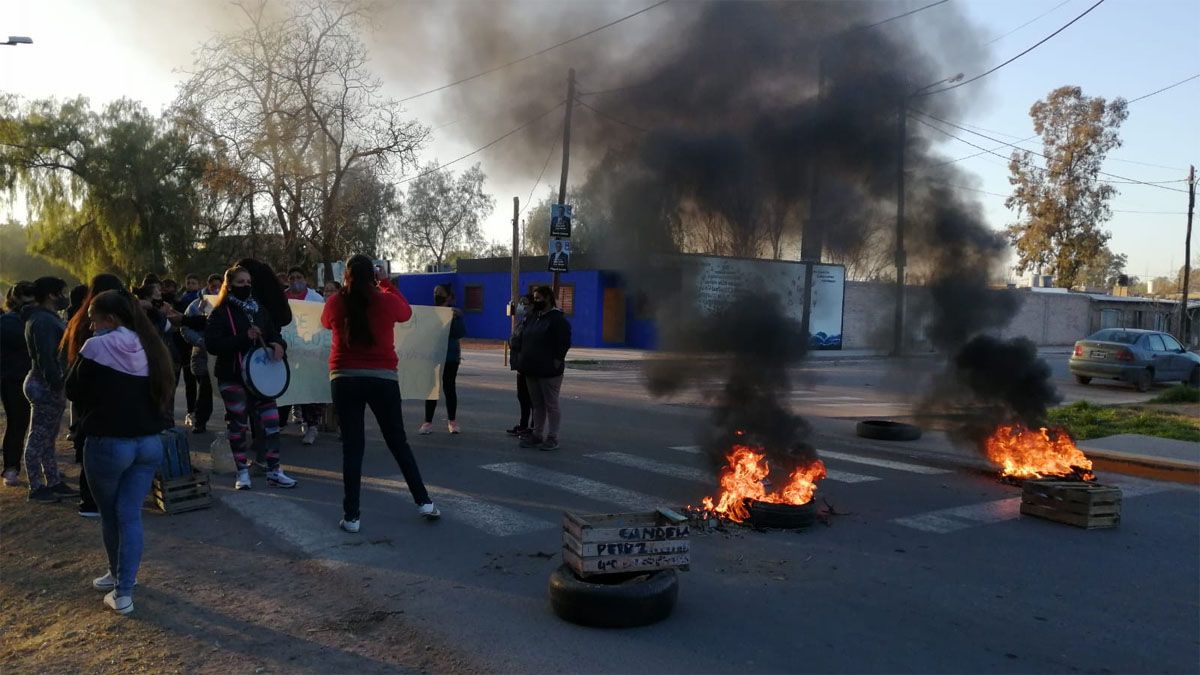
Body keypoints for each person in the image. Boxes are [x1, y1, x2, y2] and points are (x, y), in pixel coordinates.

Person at [65, 290, 174, 615]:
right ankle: (122, 579)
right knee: (129, 516)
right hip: (149, 443)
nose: (90, 325)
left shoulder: (97, 346)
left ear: (109, 319)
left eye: (93, 320)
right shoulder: (150, 345)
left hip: (109, 443)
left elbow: (72, 389)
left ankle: (122, 589)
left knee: (112, 516)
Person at [321, 254, 439, 532]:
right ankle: (423, 502)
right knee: (398, 442)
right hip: (383, 378)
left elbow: (326, 323)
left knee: (353, 447)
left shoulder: (336, 302)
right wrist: (386, 282)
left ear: (346, 275)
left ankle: (352, 517)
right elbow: (406, 313)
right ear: (373, 275)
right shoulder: (385, 300)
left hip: (344, 377)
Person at [205, 265, 297, 490]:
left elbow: (274, 333)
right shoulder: (220, 313)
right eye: (240, 283)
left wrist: (278, 344)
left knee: (272, 424)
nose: (246, 286)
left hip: (262, 380)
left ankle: (274, 471)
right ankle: (242, 472)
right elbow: (213, 345)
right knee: (238, 426)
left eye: (248, 282)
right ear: (230, 286)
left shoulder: (259, 310)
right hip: (233, 377)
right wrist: (243, 337)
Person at [61, 273, 128, 518]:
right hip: (99, 387)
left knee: (90, 441)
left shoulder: (79, 320)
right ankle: (92, 500)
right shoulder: (99, 324)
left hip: (85, 387)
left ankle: (90, 498)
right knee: (97, 444)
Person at [22, 276, 78, 502]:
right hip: (44, 384)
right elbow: (46, 357)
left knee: (47, 438)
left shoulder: (45, 318)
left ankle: (53, 480)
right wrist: (56, 383)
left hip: (46, 383)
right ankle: (36, 487)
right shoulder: (43, 321)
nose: (65, 296)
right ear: (51, 295)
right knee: (38, 438)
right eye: (62, 292)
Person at [513, 285, 571, 451]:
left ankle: (552, 437)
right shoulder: (534, 318)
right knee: (537, 404)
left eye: (539, 298)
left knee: (551, 404)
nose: (535, 301)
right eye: (535, 298)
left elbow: (564, 343)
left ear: (547, 298)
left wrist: (557, 361)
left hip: (549, 371)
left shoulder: (557, 319)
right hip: (531, 369)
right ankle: (537, 434)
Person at [280, 266, 324, 445]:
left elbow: (322, 323)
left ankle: (311, 425)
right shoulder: (282, 297)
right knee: (285, 384)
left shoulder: (316, 299)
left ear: (305, 279)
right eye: (292, 278)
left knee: (307, 387)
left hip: (308, 349)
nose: (295, 281)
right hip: (287, 348)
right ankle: (280, 422)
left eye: (299, 277)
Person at [419, 284, 466, 435]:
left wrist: (456, 317)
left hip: (451, 357)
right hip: (434, 356)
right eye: (435, 292)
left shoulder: (455, 313)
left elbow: (460, 333)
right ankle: (427, 423)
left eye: (440, 292)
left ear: (449, 296)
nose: (436, 295)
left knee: (449, 388)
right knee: (432, 388)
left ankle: (452, 422)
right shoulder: (431, 313)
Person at [1, 282, 35, 487]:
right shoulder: (7, 322)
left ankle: (23, 467)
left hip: (24, 377)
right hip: (14, 379)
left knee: (29, 425)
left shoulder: (34, 318)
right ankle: (11, 467)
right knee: (17, 424)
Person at [180, 292, 215, 434]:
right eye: (213, 286)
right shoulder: (195, 305)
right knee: (205, 388)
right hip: (202, 354)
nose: (216, 289)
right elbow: (185, 327)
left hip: (224, 352)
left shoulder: (229, 303)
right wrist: (200, 342)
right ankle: (200, 421)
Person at [506, 294, 535, 436]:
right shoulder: (523, 321)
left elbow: (525, 341)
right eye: (521, 303)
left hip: (530, 365)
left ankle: (534, 428)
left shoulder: (535, 321)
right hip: (520, 365)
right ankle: (523, 425)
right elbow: (514, 338)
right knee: (522, 397)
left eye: (525, 303)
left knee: (533, 399)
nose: (522, 306)